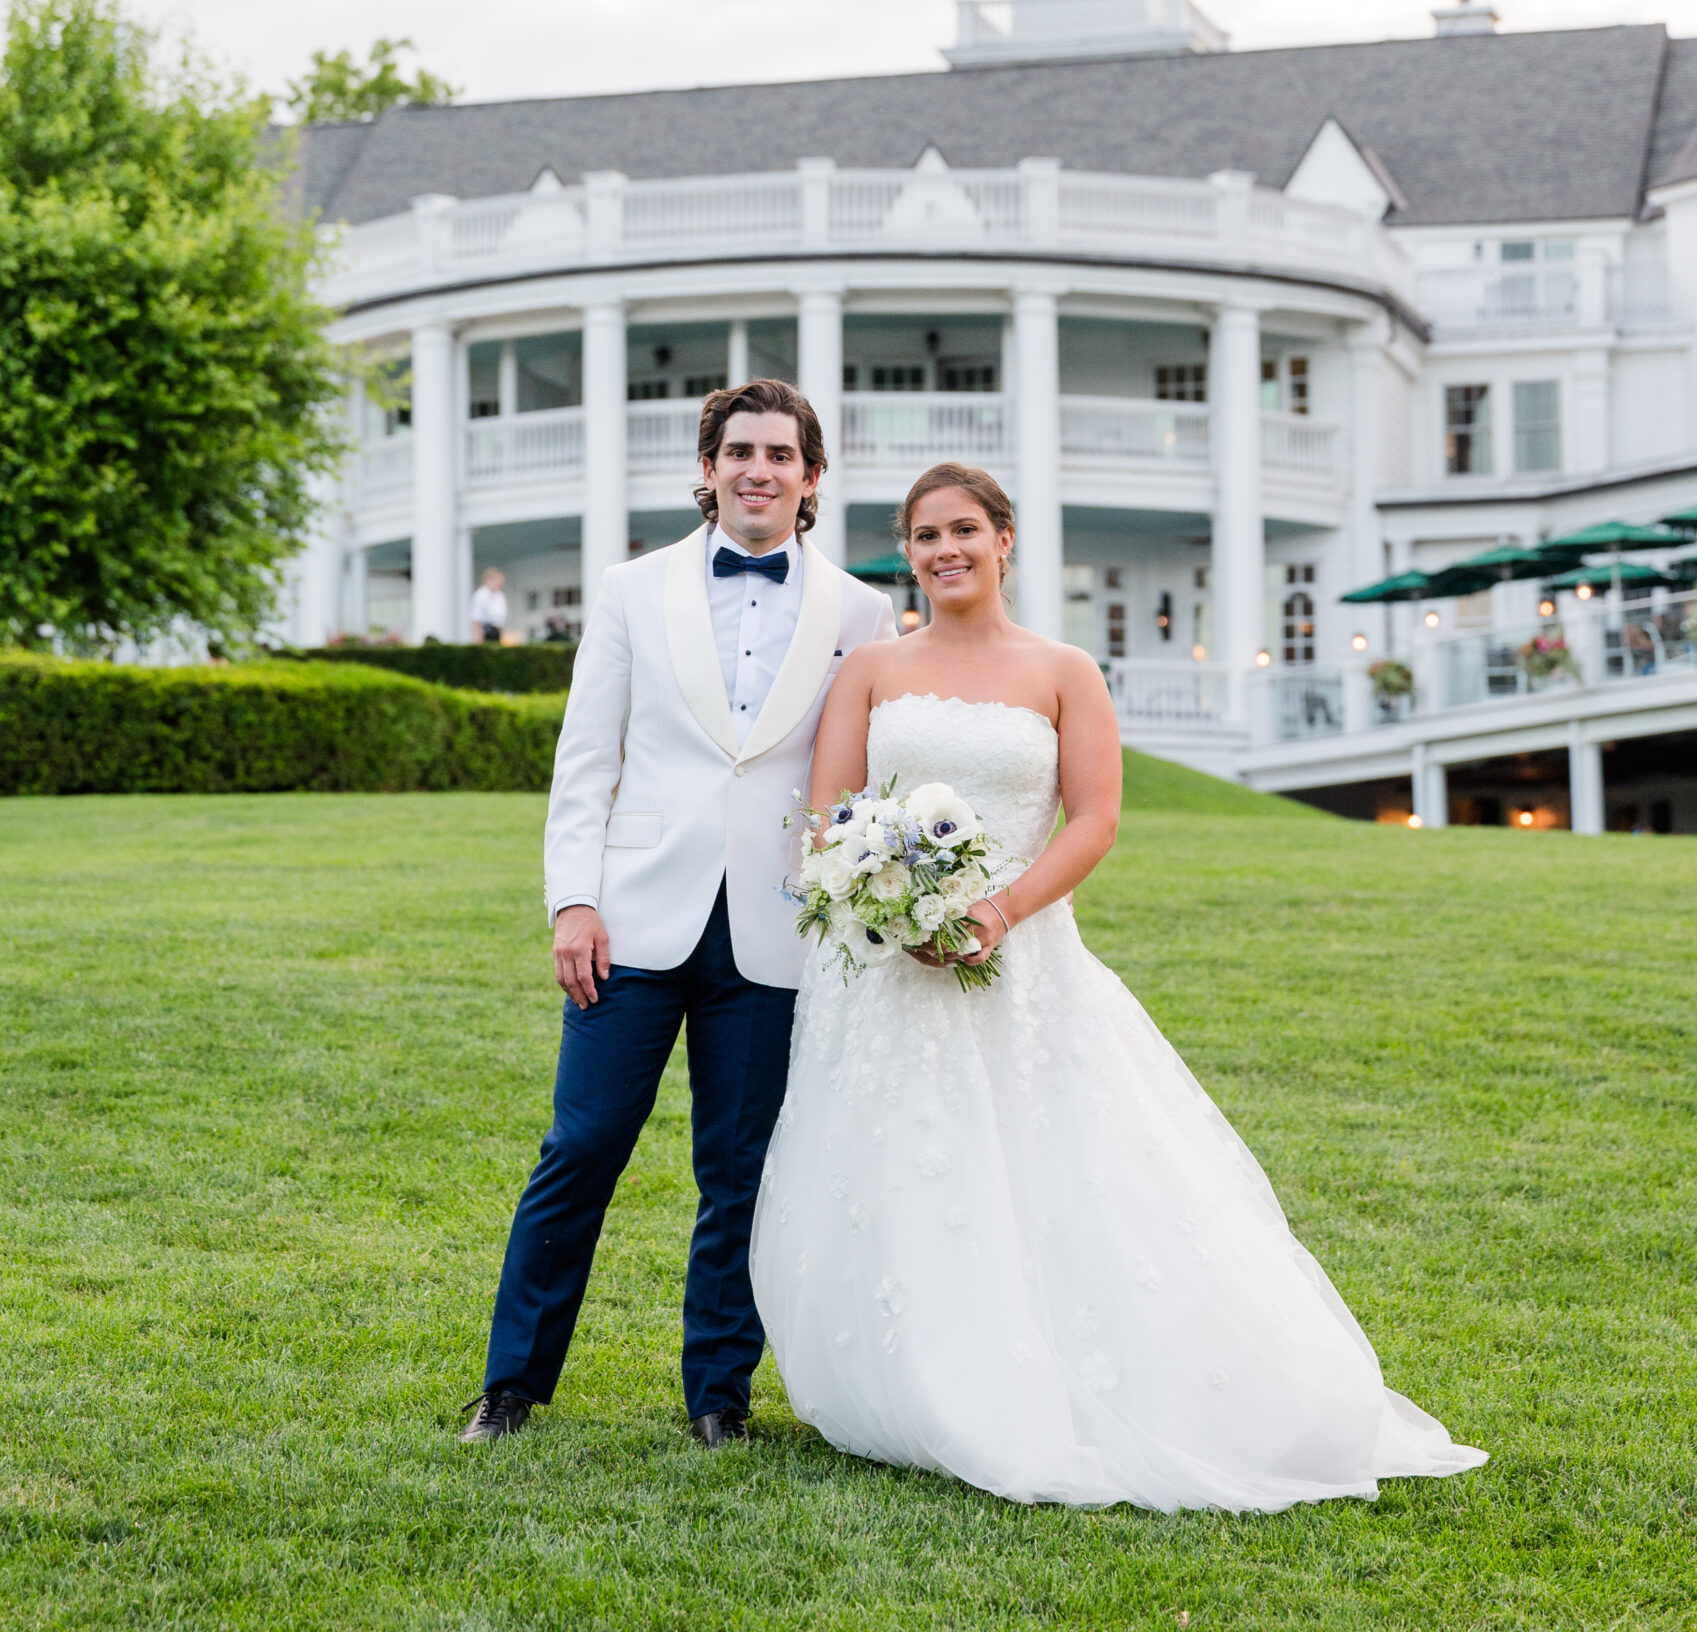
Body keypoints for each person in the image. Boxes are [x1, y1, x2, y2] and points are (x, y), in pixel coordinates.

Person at [750, 462, 1487, 1510]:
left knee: (1048, 1166)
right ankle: (912, 1380)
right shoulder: (870, 668)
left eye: (964, 529)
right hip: (881, 973)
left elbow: (1092, 816)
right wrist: (883, 901)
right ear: (905, 551)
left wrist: (992, 911)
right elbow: (827, 807)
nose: (944, 550)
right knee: (897, 1162)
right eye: (923, 535)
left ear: (1005, 539)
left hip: (1018, 957)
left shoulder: (1061, 670)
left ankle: (1056, 1379)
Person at [460, 381, 896, 1447]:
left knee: (738, 1168)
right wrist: (572, 900)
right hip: (630, 919)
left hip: (775, 928)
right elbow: (585, 762)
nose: (758, 469)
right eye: (737, 450)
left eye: (779, 454)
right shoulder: (629, 589)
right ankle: (511, 1385)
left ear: (809, 477)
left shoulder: (858, 610)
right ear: (707, 468)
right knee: (581, 1146)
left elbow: (863, 777)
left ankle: (717, 1398)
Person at [470, 567, 508, 645]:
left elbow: (500, 619)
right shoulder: (480, 595)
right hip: (485, 631)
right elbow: (476, 618)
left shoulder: (500, 596)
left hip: (496, 631)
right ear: (488, 580)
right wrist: (478, 639)